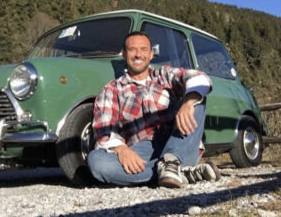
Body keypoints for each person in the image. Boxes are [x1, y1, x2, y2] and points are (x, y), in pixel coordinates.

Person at [87, 31, 220, 188]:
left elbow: (200, 78)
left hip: (180, 139)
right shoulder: (112, 89)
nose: (138, 55)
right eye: (132, 50)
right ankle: (178, 172)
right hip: (143, 149)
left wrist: (187, 102)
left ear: (151, 54)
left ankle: (172, 161)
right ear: (124, 54)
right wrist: (122, 149)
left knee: (196, 95)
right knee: (96, 162)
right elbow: (104, 131)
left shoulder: (164, 75)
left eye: (143, 50)